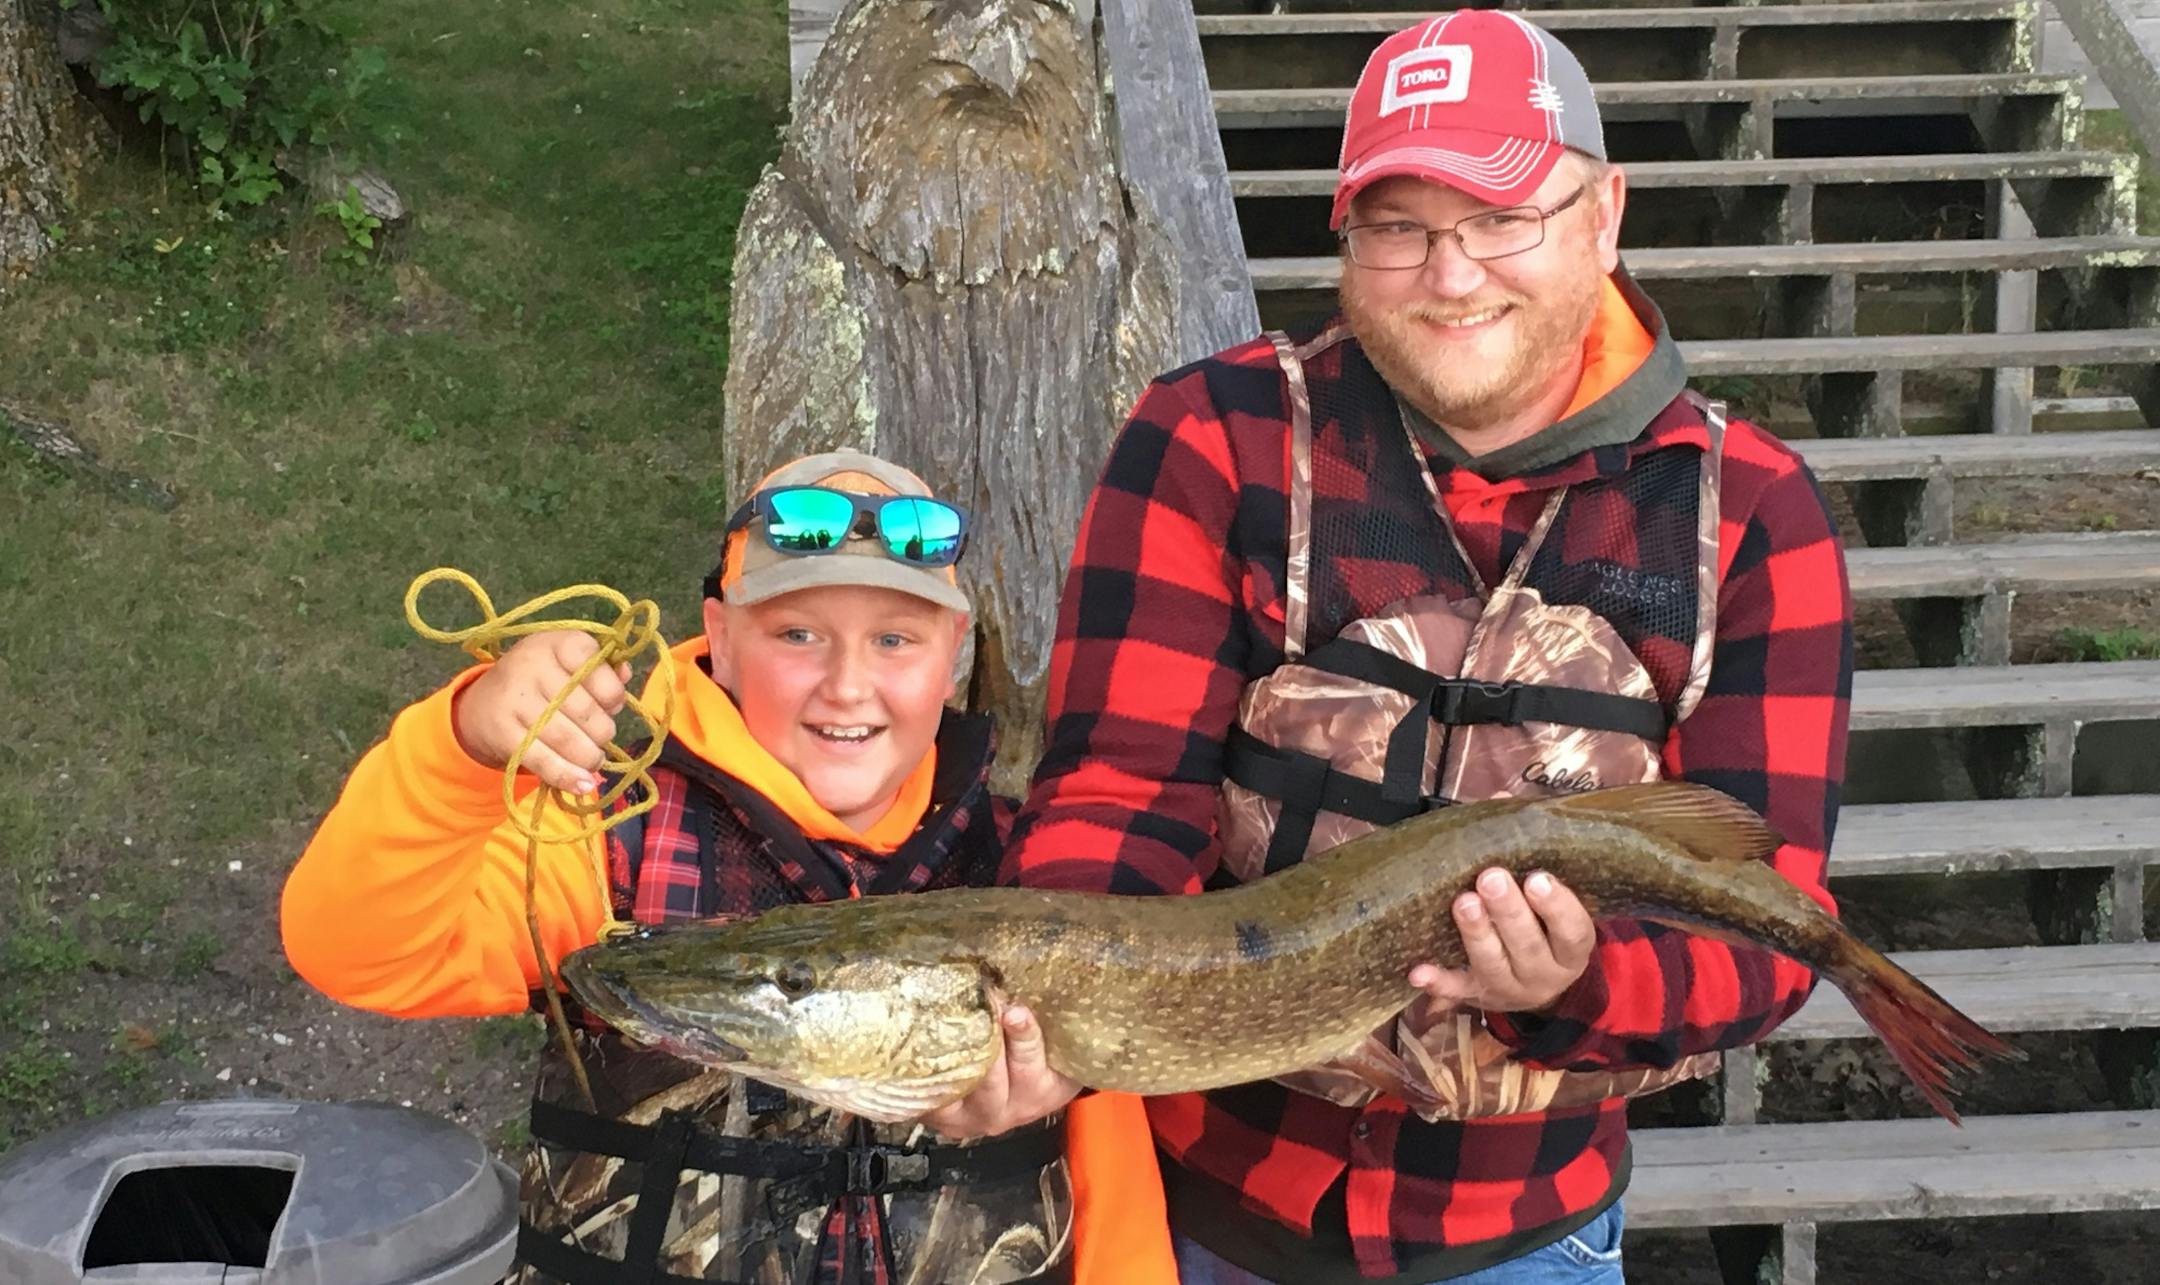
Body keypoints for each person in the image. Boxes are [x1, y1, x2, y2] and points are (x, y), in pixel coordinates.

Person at [996, 10, 1855, 1283]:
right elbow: (1121, 784)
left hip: (1526, 1231)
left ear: (1604, 214)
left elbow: (1769, 912)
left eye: (1503, 217)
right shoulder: (1211, 435)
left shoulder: (1753, 514)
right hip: (1196, 1212)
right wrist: (1041, 1018)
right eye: (1399, 226)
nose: (1451, 276)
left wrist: (1582, 981)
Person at [280, 450, 1173, 1285]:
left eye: (896, 640)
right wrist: (465, 744)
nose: (849, 685)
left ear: (954, 657)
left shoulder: (1037, 866)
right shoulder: (608, 842)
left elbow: (1115, 1196)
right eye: (798, 633)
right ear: (720, 635)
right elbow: (357, 947)